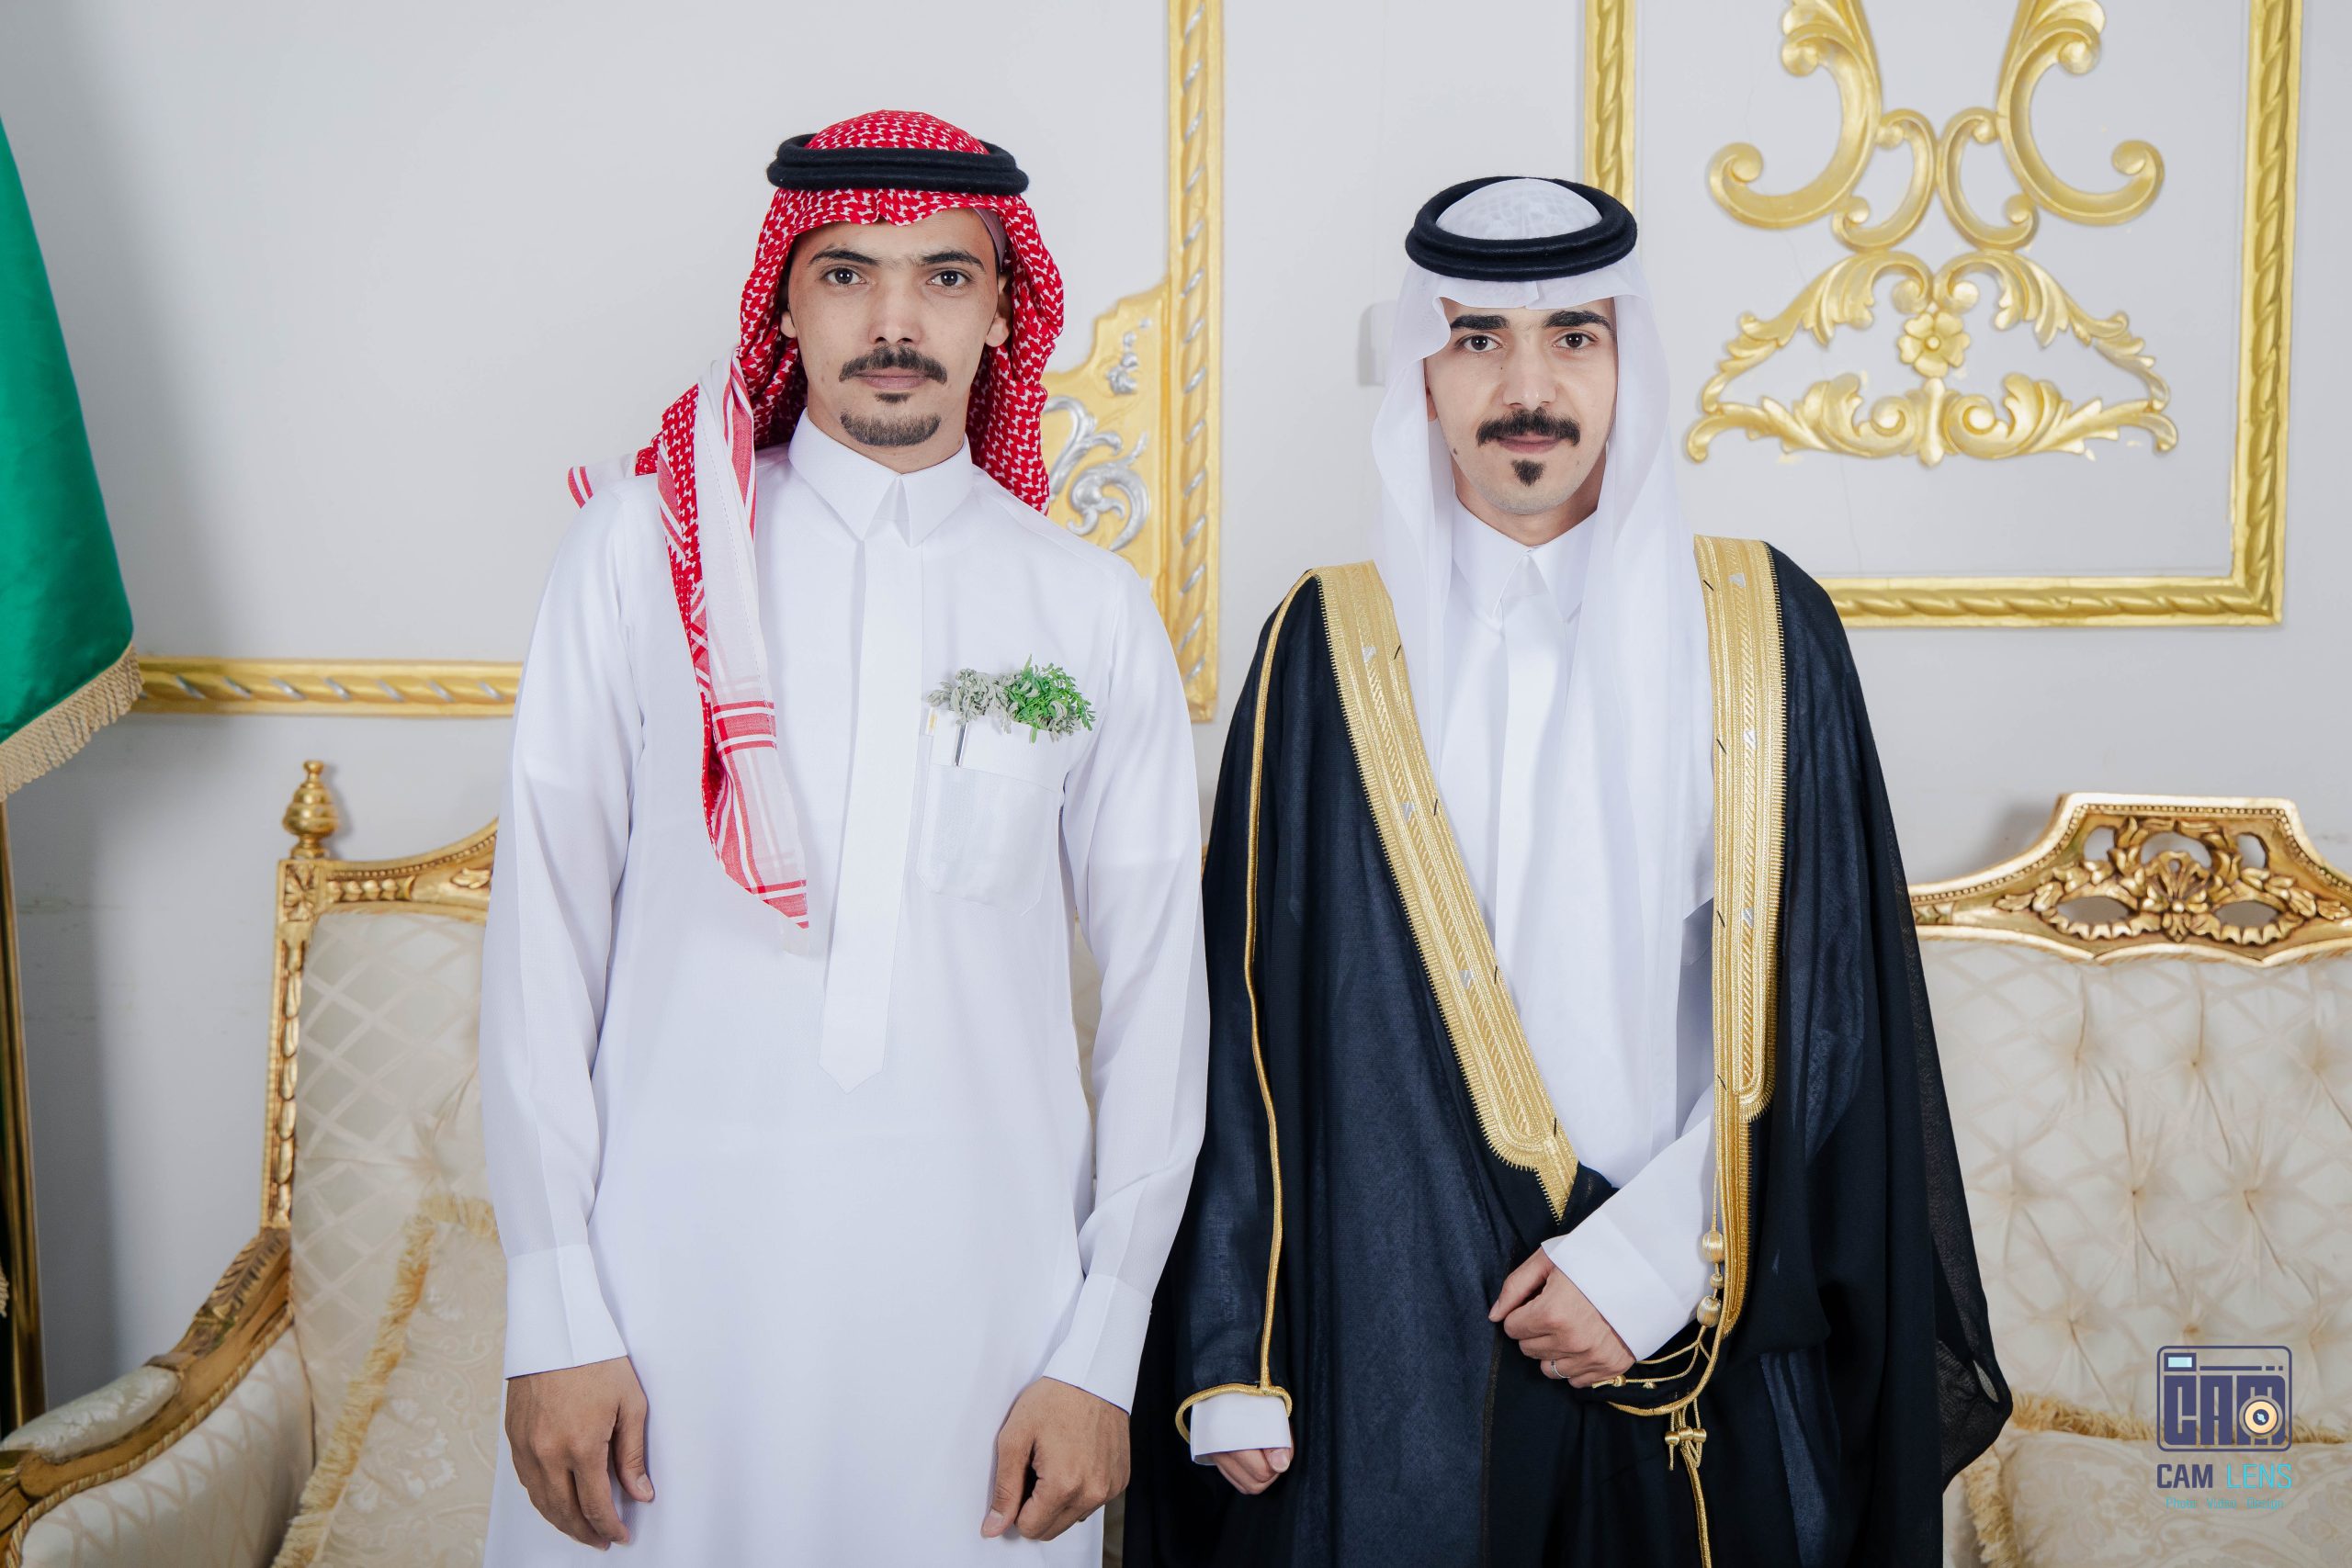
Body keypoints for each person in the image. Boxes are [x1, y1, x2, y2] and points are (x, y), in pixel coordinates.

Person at [1125, 175, 2009, 1566]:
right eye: (1477, 339)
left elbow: (1830, 1004)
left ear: (1627, 363)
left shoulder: (1763, 629)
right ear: (1423, 374)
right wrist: (1235, 1347)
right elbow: (1245, 1023)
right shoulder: (1325, 643)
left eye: (1573, 338)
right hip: (1392, 1325)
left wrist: (1648, 1265)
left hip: (1690, 1319)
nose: (1526, 387)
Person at [480, 109, 1208, 1564]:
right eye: (847, 272)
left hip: (986, 1324)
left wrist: (1101, 1346)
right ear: (785, 305)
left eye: (945, 276)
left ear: (1002, 312)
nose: (894, 321)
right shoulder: (643, 554)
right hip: (662, 1300)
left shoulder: (1084, 609)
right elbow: (542, 938)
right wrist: (555, 1304)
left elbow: (1159, 1004)